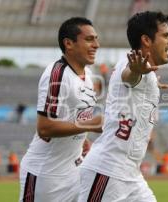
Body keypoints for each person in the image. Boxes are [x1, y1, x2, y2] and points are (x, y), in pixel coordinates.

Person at [78, 11, 168, 201]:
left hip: (131, 174)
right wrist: (137, 72)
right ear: (146, 40)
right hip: (107, 170)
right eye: (165, 35)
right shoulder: (132, 65)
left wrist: (151, 82)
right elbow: (129, 77)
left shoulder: (147, 73)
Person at [19, 17, 103, 202]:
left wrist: (82, 140)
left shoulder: (88, 75)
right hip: (46, 175)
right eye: (89, 39)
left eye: (96, 39)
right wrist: (89, 125)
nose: (96, 44)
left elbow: (74, 115)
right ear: (69, 44)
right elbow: (45, 128)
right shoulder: (57, 74)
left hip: (74, 171)